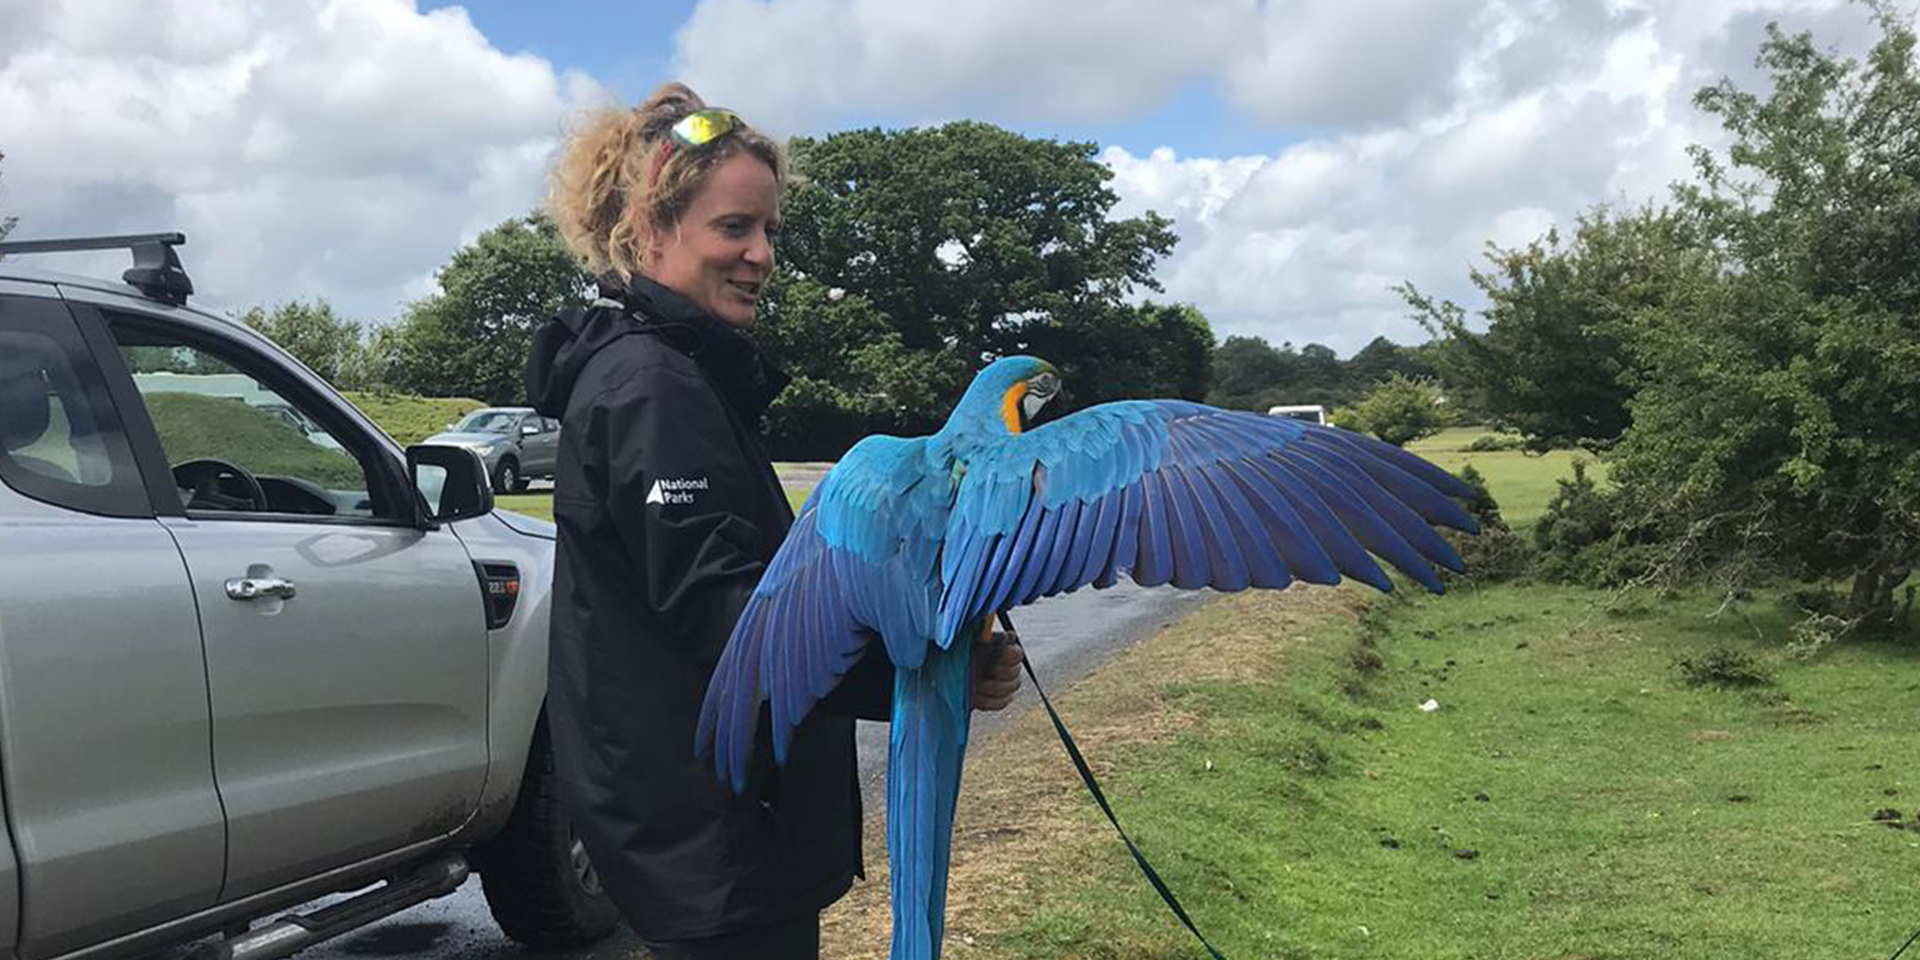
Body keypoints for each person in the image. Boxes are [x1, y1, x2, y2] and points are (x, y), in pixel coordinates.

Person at [524, 82, 1027, 960]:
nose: (760, 254)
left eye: (769, 232)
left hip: (711, 827)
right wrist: (926, 668)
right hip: (713, 834)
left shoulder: (677, 373)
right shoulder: (652, 387)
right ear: (650, 232)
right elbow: (734, 619)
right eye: (733, 229)